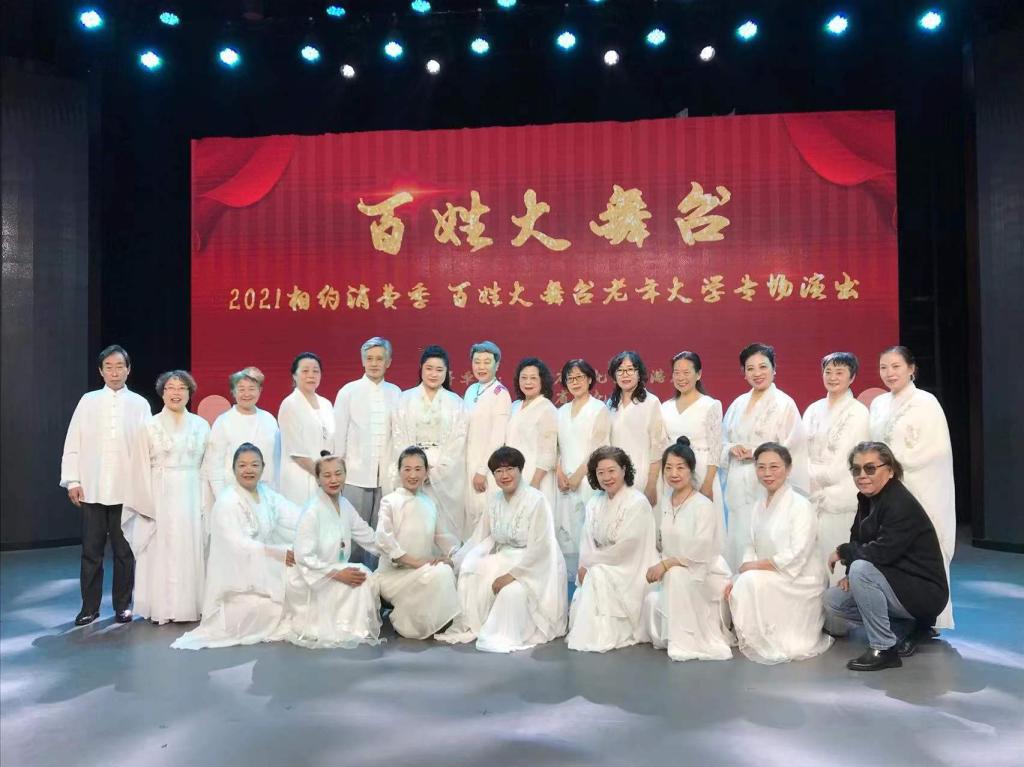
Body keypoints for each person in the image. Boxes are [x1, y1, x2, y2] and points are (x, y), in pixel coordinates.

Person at [824, 442, 949, 671]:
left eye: (870, 468)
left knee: (862, 569)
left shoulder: (900, 503)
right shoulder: (868, 498)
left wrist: (843, 552)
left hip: (923, 591)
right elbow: (858, 538)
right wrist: (850, 573)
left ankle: (884, 649)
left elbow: (881, 552)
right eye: (856, 469)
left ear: (890, 470)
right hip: (895, 581)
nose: (862, 475)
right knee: (833, 601)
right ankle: (907, 627)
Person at [436, 447, 567, 653]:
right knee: (471, 572)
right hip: (504, 558)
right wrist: (454, 560)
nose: (504, 475)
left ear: (520, 470)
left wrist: (512, 575)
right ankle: (475, 624)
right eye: (498, 471)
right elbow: (478, 538)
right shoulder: (494, 501)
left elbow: (541, 549)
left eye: (510, 469)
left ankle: (505, 632)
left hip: (534, 566)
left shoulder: (537, 500)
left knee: (510, 593)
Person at [172, 444, 300, 650]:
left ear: (263, 467)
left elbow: (293, 515)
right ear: (233, 469)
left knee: (302, 562)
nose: (248, 470)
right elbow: (237, 546)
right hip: (239, 573)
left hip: (263, 561)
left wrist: (316, 519)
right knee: (294, 576)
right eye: (242, 465)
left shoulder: (266, 493)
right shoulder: (228, 502)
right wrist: (276, 553)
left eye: (254, 465)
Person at [60, 345, 152, 625]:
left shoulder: (139, 404)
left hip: (127, 491)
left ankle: (123, 606)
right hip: (93, 487)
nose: (114, 372)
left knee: (124, 552)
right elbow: (73, 441)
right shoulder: (88, 401)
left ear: (128, 369)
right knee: (91, 552)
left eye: (119, 366)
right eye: (108, 367)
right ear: (101, 371)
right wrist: (72, 480)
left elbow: (148, 449)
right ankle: (89, 607)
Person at [869, 345, 956, 630]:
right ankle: (899, 610)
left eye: (896, 366)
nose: (889, 373)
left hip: (920, 488)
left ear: (911, 369)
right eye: (884, 367)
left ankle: (931, 615)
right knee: (891, 545)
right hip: (887, 489)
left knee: (922, 547)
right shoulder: (879, 404)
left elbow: (937, 450)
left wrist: (894, 466)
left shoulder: (926, 402)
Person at [725, 443, 832, 665]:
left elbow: (798, 553)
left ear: (788, 469)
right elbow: (750, 546)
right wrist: (744, 570)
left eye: (774, 467)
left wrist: (753, 568)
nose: (767, 473)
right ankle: (753, 633)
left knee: (748, 581)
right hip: (769, 573)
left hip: (799, 578)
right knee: (736, 581)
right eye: (761, 467)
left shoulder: (801, 505)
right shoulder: (758, 506)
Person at [123, 371, 210, 624]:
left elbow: (208, 466)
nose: (176, 393)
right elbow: (138, 468)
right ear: (162, 393)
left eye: (182, 388)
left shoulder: (201, 425)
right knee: (159, 548)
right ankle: (161, 607)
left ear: (189, 393)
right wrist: (144, 504)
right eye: (171, 387)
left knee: (188, 546)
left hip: (191, 493)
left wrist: (206, 502)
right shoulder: (149, 426)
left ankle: (189, 605)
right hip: (159, 494)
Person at [641, 437, 734, 661]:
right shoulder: (665, 502)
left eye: (680, 467)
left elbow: (701, 550)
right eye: (668, 468)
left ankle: (685, 642)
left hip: (705, 574)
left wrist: (667, 564)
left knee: (675, 574)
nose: (674, 473)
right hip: (675, 572)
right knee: (653, 592)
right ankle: (676, 635)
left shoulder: (703, 505)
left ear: (691, 470)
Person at [279, 454, 382, 648]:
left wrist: (395, 555)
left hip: (333, 569)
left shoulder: (345, 504)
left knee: (364, 576)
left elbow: (367, 536)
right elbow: (304, 557)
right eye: (327, 475)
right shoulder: (312, 511)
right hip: (311, 576)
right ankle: (342, 627)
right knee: (361, 576)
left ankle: (352, 627)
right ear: (318, 480)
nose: (333, 480)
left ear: (345, 475)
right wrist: (336, 574)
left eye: (338, 473)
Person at [721, 343, 808, 569]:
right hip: (738, 485)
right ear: (744, 373)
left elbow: (792, 447)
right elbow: (722, 440)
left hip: (767, 483)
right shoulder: (737, 404)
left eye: (763, 366)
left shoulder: (785, 404)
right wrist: (731, 448)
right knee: (739, 539)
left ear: (774, 368)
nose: (757, 373)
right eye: (750, 368)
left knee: (765, 537)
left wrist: (757, 452)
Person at [567, 446, 659, 653]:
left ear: (624, 470)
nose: (606, 477)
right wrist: (584, 565)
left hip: (630, 567)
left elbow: (627, 548)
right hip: (600, 563)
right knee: (594, 575)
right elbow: (586, 540)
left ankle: (605, 634)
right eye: (601, 472)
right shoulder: (594, 502)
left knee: (597, 574)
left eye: (611, 471)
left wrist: (592, 565)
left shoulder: (637, 502)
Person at [375, 447, 460, 639]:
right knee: (440, 573)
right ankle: (407, 623)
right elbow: (383, 539)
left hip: (422, 571)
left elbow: (443, 536)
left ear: (426, 472)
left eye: (418, 469)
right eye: (407, 469)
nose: (412, 475)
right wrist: (416, 563)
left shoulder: (430, 503)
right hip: (393, 575)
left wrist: (454, 557)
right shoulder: (389, 501)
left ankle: (425, 621)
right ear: (399, 471)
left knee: (446, 570)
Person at [802, 352, 870, 581]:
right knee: (810, 562)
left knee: (836, 559)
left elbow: (847, 459)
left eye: (839, 372)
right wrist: (806, 479)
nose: (832, 377)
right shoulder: (813, 409)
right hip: (810, 493)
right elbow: (801, 450)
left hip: (840, 495)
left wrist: (814, 476)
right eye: (828, 372)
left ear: (852, 377)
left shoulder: (858, 412)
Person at [333, 337, 401, 565]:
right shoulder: (348, 391)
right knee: (352, 533)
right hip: (355, 476)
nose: (374, 363)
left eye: (379, 359)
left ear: (388, 362)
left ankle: (376, 580)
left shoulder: (396, 393)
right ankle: (350, 578)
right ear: (362, 361)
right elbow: (339, 436)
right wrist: (338, 474)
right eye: (369, 358)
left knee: (381, 533)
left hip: (386, 478)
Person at [391, 346, 468, 539]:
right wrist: (413, 469)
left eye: (439, 369)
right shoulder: (405, 398)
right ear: (421, 369)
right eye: (429, 368)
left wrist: (438, 471)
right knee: (412, 526)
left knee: (442, 527)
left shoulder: (456, 402)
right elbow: (399, 435)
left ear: (446, 372)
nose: (434, 374)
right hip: (412, 465)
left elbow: (458, 440)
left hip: (444, 472)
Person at [555, 359, 611, 560]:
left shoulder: (599, 409)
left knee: (588, 533)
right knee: (565, 534)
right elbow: (557, 448)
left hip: (588, 480)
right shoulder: (561, 411)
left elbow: (599, 448)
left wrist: (578, 476)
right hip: (563, 482)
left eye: (579, 377)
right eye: (570, 378)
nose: (575, 382)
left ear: (589, 379)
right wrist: (559, 472)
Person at [202, 366, 279, 510]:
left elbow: (275, 462)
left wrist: (275, 496)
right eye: (241, 389)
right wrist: (222, 499)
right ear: (233, 392)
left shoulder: (270, 420)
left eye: (252, 388)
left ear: (260, 390)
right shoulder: (223, 421)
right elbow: (213, 464)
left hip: (265, 496)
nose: (247, 394)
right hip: (232, 496)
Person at [660, 351, 724, 520]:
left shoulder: (710, 405)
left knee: (703, 521)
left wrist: (708, 484)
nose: (681, 378)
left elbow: (716, 449)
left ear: (699, 374)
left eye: (686, 372)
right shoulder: (665, 407)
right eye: (676, 373)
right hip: (674, 473)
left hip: (702, 471)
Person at [606, 351, 669, 508]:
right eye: (620, 370)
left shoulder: (651, 403)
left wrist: (651, 484)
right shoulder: (611, 404)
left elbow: (658, 446)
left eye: (630, 369)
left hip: (643, 476)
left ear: (639, 373)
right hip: (616, 477)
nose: (625, 375)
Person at [464, 341, 512, 536]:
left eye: (487, 362)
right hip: (467, 463)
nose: (481, 367)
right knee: (469, 519)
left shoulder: (500, 394)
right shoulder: (471, 390)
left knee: (485, 518)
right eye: (477, 362)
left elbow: (497, 437)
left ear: (497, 365)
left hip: (485, 468)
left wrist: (482, 470)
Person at [278, 353, 334, 507]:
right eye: (305, 371)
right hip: (300, 476)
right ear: (294, 375)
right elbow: (296, 451)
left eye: (316, 371)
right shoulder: (290, 404)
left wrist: (330, 474)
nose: (311, 375)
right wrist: (322, 475)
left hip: (326, 476)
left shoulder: (326, 404)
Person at [506, 357, 559, 517]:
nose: (528, 382)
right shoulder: (515, 406)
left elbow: (548, 452)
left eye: (533, 378)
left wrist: (534, 484)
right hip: (512, 475)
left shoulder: (546, 408)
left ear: (542, 381)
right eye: (524, 378)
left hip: (536, 478)